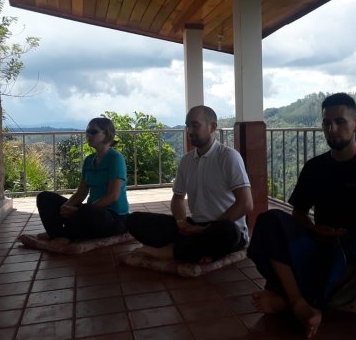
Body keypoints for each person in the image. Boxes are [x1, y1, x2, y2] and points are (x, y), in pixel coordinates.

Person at [247, 93, 356, 338]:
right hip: (323, 246)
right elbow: (298, 212)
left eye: (340, 122)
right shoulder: (315, 168)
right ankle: (299, 302)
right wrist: (312, 230)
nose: (332, 129)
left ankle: (290, 300)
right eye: (327, 123)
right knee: (270, 219)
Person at [126, 105, 253, 263]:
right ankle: (192, 249)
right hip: (194, 226)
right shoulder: (187, 161)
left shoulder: (229, 157)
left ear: (213, 127)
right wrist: (181, 222)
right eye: (187, 126)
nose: (190, 131)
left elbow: (246, 204)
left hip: (222, 227)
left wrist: (206, 229)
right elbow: (178, 198)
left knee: (227, 231)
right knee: (134, 220)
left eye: (195, 125)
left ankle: (173, 251)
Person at [36, 117, 129, 245]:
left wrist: (79, 212)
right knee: (45, 198)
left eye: (94, 132)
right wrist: (66, 206)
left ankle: (65, 235)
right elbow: (81, 193)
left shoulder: (115, 159)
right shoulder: (89, 160)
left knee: (87, 210)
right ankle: (58, 234)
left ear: (107, 135)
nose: (89, 135)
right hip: (89, 213)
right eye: (87, 132)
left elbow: (113, 196)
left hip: (113, 218)